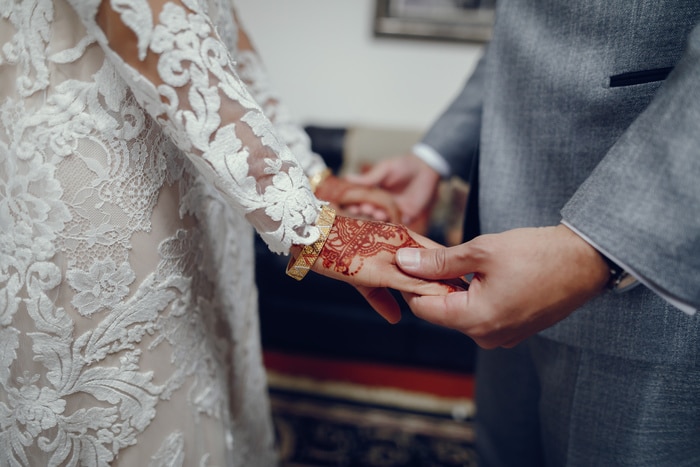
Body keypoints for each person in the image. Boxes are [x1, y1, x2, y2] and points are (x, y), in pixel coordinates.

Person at [0, 1, 456, 465]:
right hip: (103, 191)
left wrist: (310, 176)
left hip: (200, 186)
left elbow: (218, 29)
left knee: (212, 389)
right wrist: (308, 224)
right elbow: (148, 18)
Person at [351, 1, 700, 465]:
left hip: (647, 269)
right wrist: (433, 156)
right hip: (498, 261)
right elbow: (522, 30)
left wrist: (595, 248)